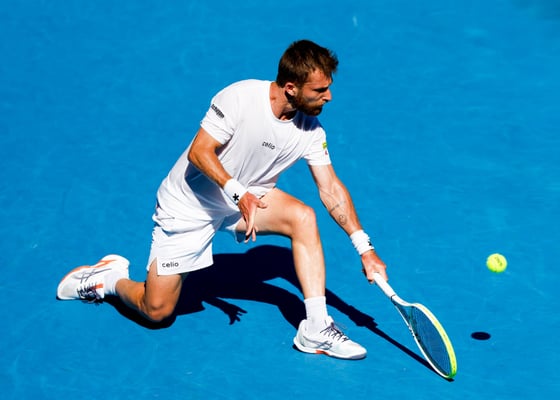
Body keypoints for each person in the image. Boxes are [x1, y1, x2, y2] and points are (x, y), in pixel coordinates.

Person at [57, 39, 388, 360]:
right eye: (320, 90)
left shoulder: (311, 131)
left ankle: (315, 327)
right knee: (156, 311)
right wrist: (238, 193)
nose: (329, 97)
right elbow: (200, 152)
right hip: (190, 204)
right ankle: (109, 278)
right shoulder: (240, 98)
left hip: (249, 199)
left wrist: (365, 249)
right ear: (291, 87)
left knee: (303, 217)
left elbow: (330, 188)